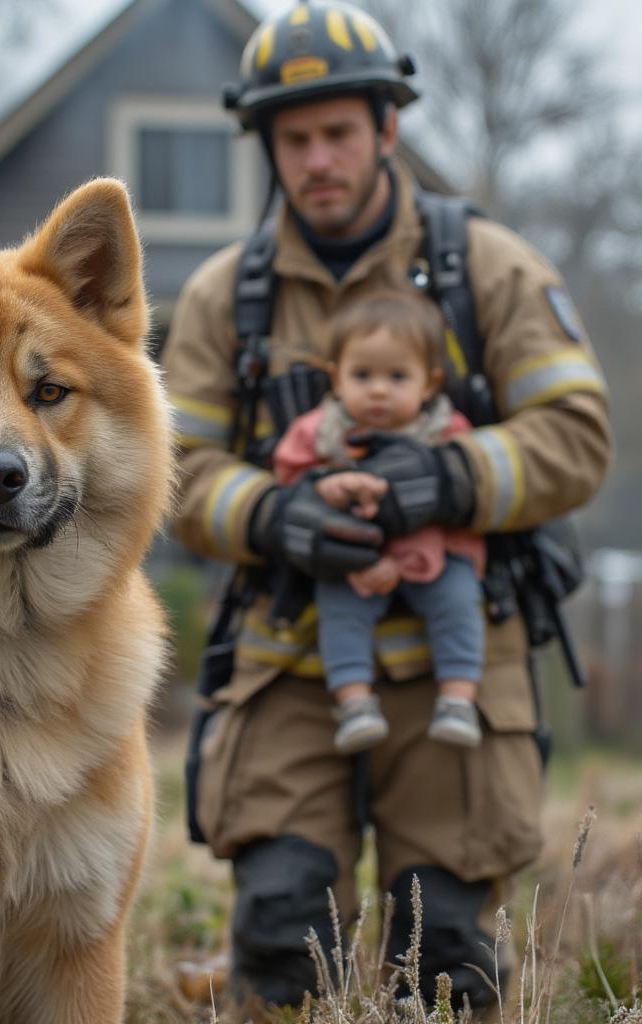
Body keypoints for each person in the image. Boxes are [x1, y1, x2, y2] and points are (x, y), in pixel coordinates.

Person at [161, 0, 611, 1015]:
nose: (317, 158)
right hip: (287, 661)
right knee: (281, 942)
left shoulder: (486, 269)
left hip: (456, 668)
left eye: (338, 132)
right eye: (294, 137)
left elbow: (577, 434)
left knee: (445, 953)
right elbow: (171, 468)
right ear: (267, 144)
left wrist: (443, 481)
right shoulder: (220, 299)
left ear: (387, 128)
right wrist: (274, 517)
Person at [273, 290, 486, 754]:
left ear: (429, 384)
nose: (378, 389)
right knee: (338, 609)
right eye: (362, 375)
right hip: (351, 558)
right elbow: (288, 472)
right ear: (336, 378)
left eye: (397, 376)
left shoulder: (448, 430)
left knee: (459, 600)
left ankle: (458, 698)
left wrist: (441, 480)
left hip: (432, 556)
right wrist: (321, 486)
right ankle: (353, 703)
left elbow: (474, 479)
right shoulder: (320, 430)